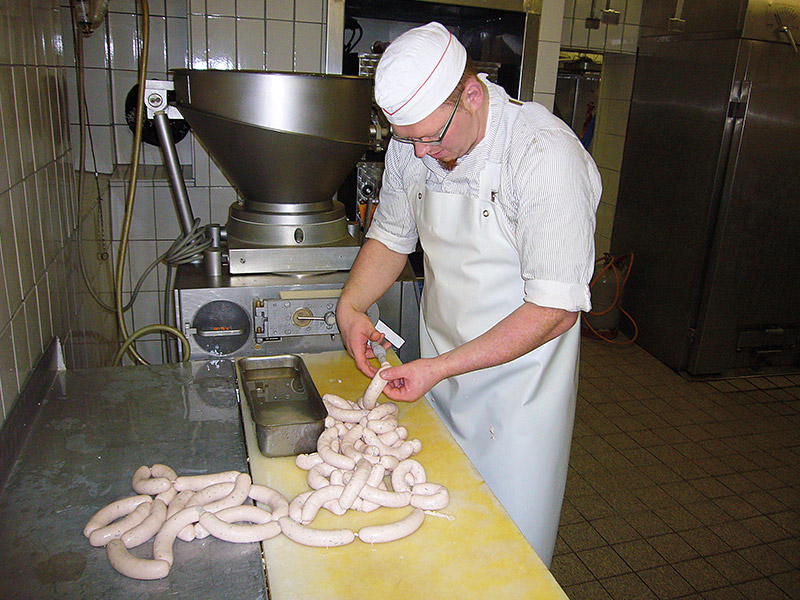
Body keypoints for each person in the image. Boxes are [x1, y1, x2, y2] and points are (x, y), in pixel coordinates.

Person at [336, 22, 601, 567]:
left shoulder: (542, 154)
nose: (421, 153)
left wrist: (439, 368)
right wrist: (352, 307)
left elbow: (555, 311)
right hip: (437, 375)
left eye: (431, 137)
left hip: (518, 397)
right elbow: (391, 235)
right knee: (434, 533)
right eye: (408, 139)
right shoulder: (415, 144)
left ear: (473, 95)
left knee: (505, 552)